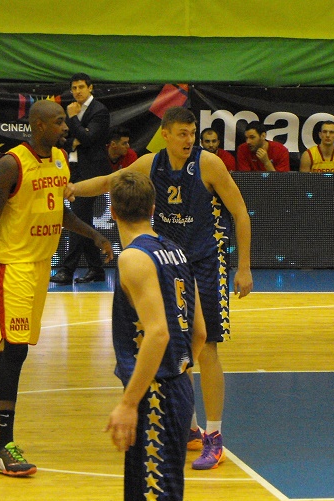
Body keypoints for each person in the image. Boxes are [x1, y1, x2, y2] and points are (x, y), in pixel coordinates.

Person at [68, 106, 253, 471]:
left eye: (192, 133)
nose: (189, 140)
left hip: (205, 263)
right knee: (177, 345)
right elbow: (108, 182)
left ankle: (215, 436)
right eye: (182, 133)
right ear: (165, 135)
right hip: (169, 263)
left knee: (206, 347)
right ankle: (190, 427)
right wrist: (72, 188)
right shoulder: (151, 164)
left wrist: (244, 267)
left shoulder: (209, 164)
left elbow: (241, 213)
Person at [0, 100, 114, 476]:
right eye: (59, 121)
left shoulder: (60, 159)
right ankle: (5, 446)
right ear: (39, 125)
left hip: (40, 265)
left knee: (6, 348)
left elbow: (60, 212)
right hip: (11, 266)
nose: (66, 126)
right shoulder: (10, 165)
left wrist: (94, 235)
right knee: (15, 351)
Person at [106, 170, 209, 501]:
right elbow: (199, 332)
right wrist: (181, 373)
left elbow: (159, 333)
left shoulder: (133, 258)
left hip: (156, 392)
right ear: (153, 208)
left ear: (112, 211)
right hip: (177, 384)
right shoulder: (176, 250)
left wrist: (130, 402)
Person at [52, 73, 112, 285]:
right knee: (83, 220)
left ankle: (67, 270)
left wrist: (74, 120)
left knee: (78, 217)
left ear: (90, 88)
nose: (77, 91)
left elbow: (88, 138)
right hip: (74, 168)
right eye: (74, 88)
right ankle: (96, 269)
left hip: (93, 171)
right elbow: (65, 140)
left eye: (81, 87)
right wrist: (76, 139)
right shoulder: (71, 109)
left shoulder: (99, 110)